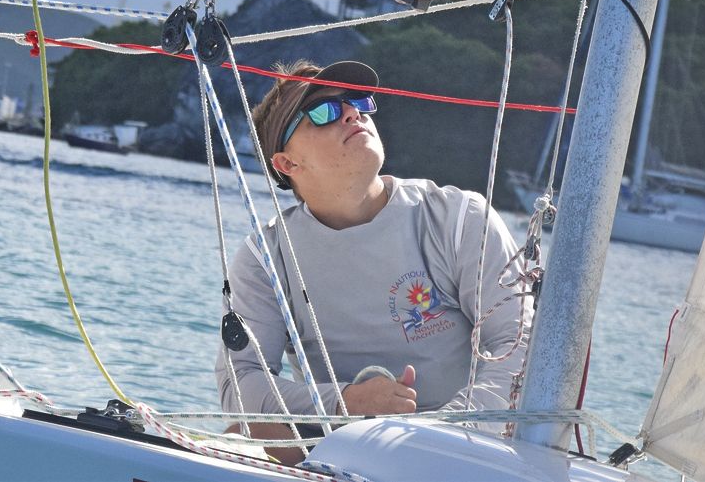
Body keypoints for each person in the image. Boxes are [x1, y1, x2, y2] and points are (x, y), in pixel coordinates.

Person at [216, 60, 527, 448]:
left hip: (466, 450)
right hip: (339, 452)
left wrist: (441, 436)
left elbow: (519, 345)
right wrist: (348, 401)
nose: (351, 112)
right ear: (287, 163)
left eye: (358, 100)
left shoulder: (459, 218)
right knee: (244, 435)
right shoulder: (266, 259)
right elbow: (241, 382)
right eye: (323, 112)